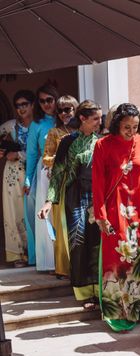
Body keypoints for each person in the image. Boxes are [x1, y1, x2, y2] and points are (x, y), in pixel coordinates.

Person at [92, 103, 140, 332]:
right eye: (127, 127)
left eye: (135, 126)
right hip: (115, 211)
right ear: (116, 125)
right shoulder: (102, 145)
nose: (132, 131)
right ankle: (119, 312)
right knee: (119, 259)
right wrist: (100, 215)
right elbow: (98, 183)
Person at [43, 100, 102, 309]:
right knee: (78, 242)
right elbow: (58, 172)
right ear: (83, 119)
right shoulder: (68, 141)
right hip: (75, 196)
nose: (99, 122)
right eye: (95, 118)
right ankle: (83, 292)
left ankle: (98, 291)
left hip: (97, 197)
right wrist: (50, 201)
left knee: (97, 243)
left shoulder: (102, 141)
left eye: (100, 118)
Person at [37, 95, 79, 277]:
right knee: (62, 224)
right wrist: (63, 157)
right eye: (60, 110)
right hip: (61, 181)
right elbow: (46, 158)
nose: (64, 114)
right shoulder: (55, 132)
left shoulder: (82, 131)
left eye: (68, 109)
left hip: (81, 181)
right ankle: (63, 268)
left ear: (76, 110)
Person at [25, 83, 59, 269]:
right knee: (45, 214)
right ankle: (48, 261)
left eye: (49, 100)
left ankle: (63, 260)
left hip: (65, 172)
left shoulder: (65, 120)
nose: (46, 104)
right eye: (42, 101)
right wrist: (28, 178)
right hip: (44, 172)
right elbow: (31, 153)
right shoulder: (37, 124)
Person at [0, 90, 34, 267]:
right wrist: (3, 152)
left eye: (25, 104)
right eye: (18, 105)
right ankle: (18, 255)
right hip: (12, 175)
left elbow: (40, 153)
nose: (21, 108)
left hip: (34, 173)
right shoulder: (10, 126)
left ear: (32, 105)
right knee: (14, 212)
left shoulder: (39, 125)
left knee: (32, 213)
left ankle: (34, 253)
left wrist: (18, 154)